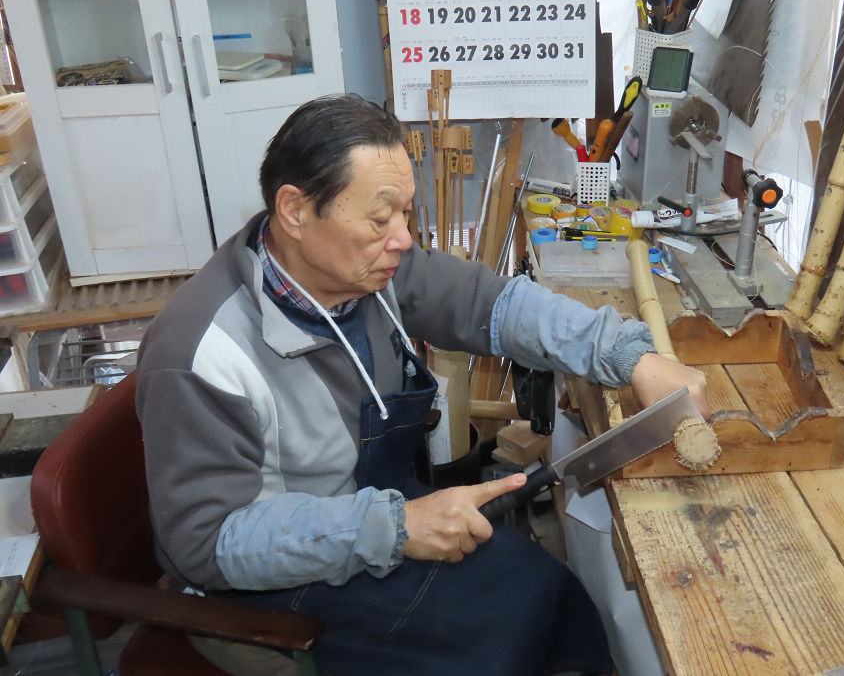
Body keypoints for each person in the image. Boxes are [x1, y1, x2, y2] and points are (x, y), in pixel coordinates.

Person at [135, 94, 708, 676]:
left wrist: (627, 356)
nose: (403, 239)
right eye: (380, 219)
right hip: (268, 588)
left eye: (405, 214)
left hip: (371, 516)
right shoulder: (201, 353)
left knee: (547, 592)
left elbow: (491, 304)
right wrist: (394, 526)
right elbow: (207, 543)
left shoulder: (361, 272)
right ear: (294, 211)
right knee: (497, 648)